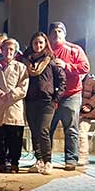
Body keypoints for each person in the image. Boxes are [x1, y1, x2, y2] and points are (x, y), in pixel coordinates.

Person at [22, 32, 67, 175]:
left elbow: (62, 80)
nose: (38, 45)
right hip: (30, 101)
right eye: (35, 42)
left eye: (41, 42)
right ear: (31, 44)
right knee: (34, 131)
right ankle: (39, 160)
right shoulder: (26, 62)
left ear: (45, 44)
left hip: (47, 101)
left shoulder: (51, 61)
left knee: (43, 130)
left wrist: (56, 98)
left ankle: (48, 161)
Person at [0, 38, 29, 173]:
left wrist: (10, 94)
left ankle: (14, 163)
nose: (8, 52)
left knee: (15, 137)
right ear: (1, 50)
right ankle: (1, 161)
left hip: (13, 106)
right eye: (5, 49)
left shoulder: (21, 68)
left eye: (11, 49)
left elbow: (23, 87)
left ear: (15, 52)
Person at [48, 22, 90, 170]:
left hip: (71, 94)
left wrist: (66, 65)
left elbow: (85, 67)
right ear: (49, 35)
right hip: (51, 96)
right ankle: (46, 160)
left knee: (71, 128)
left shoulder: (74, 49)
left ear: (64, 33)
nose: (56, 34)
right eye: (53, 31)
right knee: (47, 129)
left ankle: (71, 159)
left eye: (59, 31)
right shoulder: (46, 50)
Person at [79, 73, 95, 166]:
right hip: (75, 111)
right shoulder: (73, 80)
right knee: (74, 134)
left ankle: (83, 157)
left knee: (82, 133)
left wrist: (89, 105)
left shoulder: (92, 81)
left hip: (86, 113)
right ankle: (74, 156)